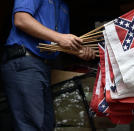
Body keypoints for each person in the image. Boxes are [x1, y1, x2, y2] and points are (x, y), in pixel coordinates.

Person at [0, 0, 96, 131]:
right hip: (25, 61)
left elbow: (60, 43)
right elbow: (21, 19)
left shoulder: (64, 6)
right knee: (32, 125)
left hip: (44, 67)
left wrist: (80, 51)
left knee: (46, 125)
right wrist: (60, 38)